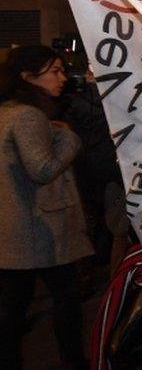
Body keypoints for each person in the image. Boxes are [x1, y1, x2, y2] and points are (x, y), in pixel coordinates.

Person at [0, 45, 92, 370]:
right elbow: (41, 169)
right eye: (54, 71)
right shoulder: (28, 116)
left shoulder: (9, 111)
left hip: (18, 229)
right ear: (28, 78)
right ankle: (73, 361)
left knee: (14, 306)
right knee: (65, 301)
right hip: (40, 229)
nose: (62, 77)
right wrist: (69, 139)